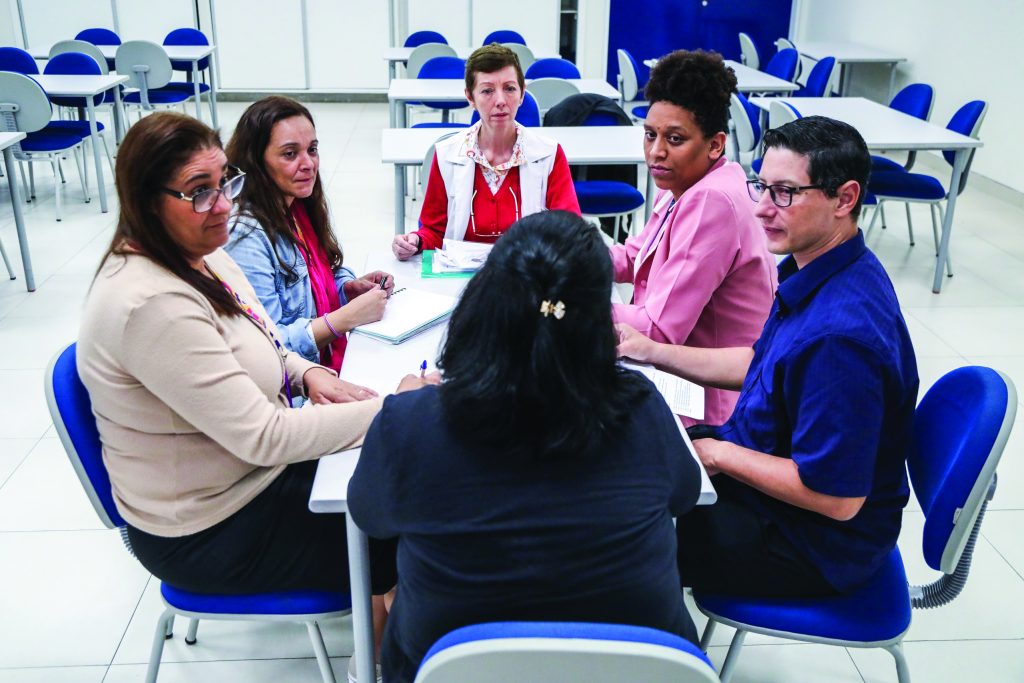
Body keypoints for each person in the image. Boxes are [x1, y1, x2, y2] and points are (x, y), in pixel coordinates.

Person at [77, 112, 429, 603]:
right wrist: (396, 408)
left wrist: (305, 372)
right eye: (200, 191)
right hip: (210, 527)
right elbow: (264, 437)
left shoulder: (203, 251)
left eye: (225, 182)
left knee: (402, 479)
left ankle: (388, 634)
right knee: (409, 529)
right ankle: (378, 660)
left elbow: (261, 335)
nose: (223, 205)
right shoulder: (152, 304)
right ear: (147, 203)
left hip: (250, 477)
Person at [353, 211, 703, 682]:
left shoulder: (412, 423)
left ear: (483, 305)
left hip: (452, 666)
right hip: (636, 668)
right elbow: (683, 497)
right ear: (602, 320)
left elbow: (369, 515)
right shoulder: (641, 410)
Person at [617, 116, 919, 597]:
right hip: (768, 475)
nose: (760, 209)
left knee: (621, 539)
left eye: (784, 193)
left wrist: (716, 452)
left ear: (845, 199)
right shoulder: (825, 268)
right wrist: (653, 351)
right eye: (761, 186)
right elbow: (766, 365)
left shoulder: (840, 340)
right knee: (631, 461)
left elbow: (837, 498)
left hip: (809, 542)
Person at [609, 50, 776, 426]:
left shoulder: (711, 200)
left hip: (713, 403)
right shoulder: (688, 182)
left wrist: (559, 303)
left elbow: (659, 328)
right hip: (682, 371)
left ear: (715, 144)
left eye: (675, 138)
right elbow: (632, 257)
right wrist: (562, 257)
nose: (656, 152)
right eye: (650, 135)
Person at [225, 96, 393, 373]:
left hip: (317, 369)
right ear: (256, 162)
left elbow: (318, 282)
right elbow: (268, 345)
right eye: (290, 154)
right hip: (292, 392)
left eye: (312, 150)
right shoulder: (245, 237)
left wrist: (347, 289)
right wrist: (344, 319)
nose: (308, 164)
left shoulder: (297, 207)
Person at [391, 43, 580, 260]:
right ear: (470, 97)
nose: (500, 101)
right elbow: (434, 231)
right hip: (462, 280)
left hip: (527, 274)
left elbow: (569, 231)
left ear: (522, 94)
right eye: (487, 91)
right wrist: (415, 241)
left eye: (509, 88)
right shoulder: (446, 155)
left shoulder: (549, 155)